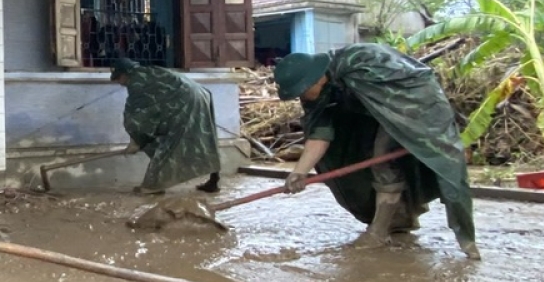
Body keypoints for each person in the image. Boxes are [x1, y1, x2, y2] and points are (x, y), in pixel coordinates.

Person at [273, 44, 480, 259]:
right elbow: (320, 134)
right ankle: (400, 220)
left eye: (302, 92)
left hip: (415, 106)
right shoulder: (317, 94)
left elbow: (401, 95)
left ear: (315, 79)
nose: (302, 98)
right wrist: (299, 172)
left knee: (386, 158)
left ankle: (381, 232)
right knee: (368, 155)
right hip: (372, 117)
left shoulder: (361, 61)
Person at [109, 58, 222, 195]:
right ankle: (214, 180)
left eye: (118, 78)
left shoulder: (136, 81)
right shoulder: (149, 71)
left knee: (168, 144)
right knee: (206, 138)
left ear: (125, 74)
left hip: (185, 101)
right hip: (200, 94)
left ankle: (153, 186)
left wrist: (136, 140)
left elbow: (136, 116)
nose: (118, 83)